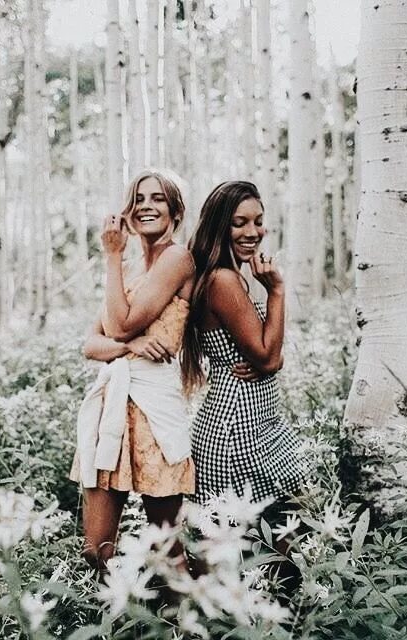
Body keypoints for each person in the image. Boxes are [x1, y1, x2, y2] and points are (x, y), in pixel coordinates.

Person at [70, 170, 195, 572]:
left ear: (175, 209)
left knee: (166, 544)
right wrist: (129, 345)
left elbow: (120, 324)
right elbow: (91, 343)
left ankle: (186, 629)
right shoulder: (131, 269)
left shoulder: (177, 258)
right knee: (96, 550)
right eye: (139, 199)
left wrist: (110, 257)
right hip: (114, 407)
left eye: (157, 198)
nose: (146, 206)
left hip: (154, 409)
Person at [180, 180, 312, 515]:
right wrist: (278, 291)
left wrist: (273, 361)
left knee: (280, 540)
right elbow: (267, 356)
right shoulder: (223, 280)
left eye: (257, 221)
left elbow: (267, 355)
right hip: (237, 430)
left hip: (255, 421)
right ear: (219, 225)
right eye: (239, 223)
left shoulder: (228, 277)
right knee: (268, 546)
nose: (252, 232)